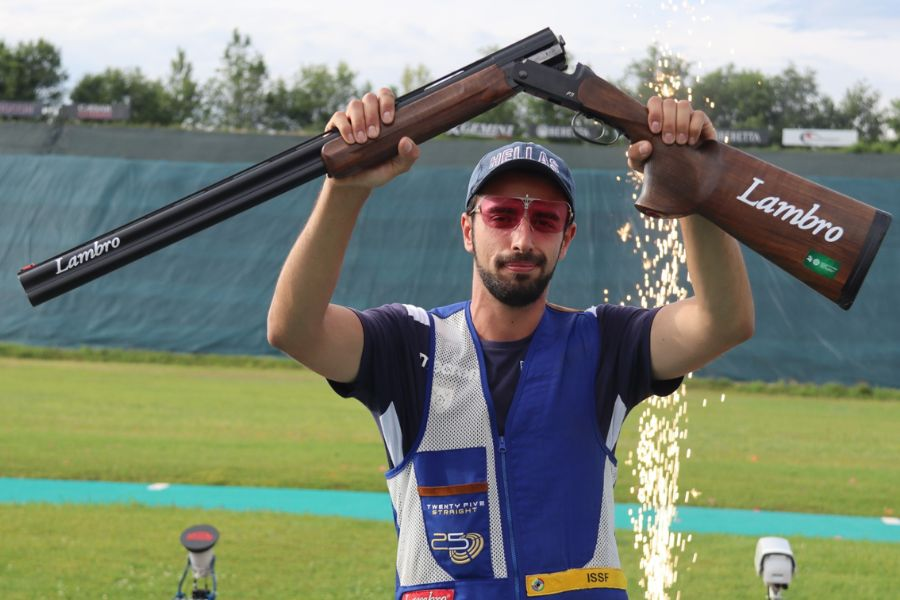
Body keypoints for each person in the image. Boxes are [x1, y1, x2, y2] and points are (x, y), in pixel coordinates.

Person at [267, 88, 754, 600]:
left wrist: (694, 185)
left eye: (545, 220)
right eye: (501, 216)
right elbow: (295, 329)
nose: (522, 239)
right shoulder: (408, 344)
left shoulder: (604, 342)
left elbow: (724, 321)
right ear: (468, 230)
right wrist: (344, 189)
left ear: (566, 239)